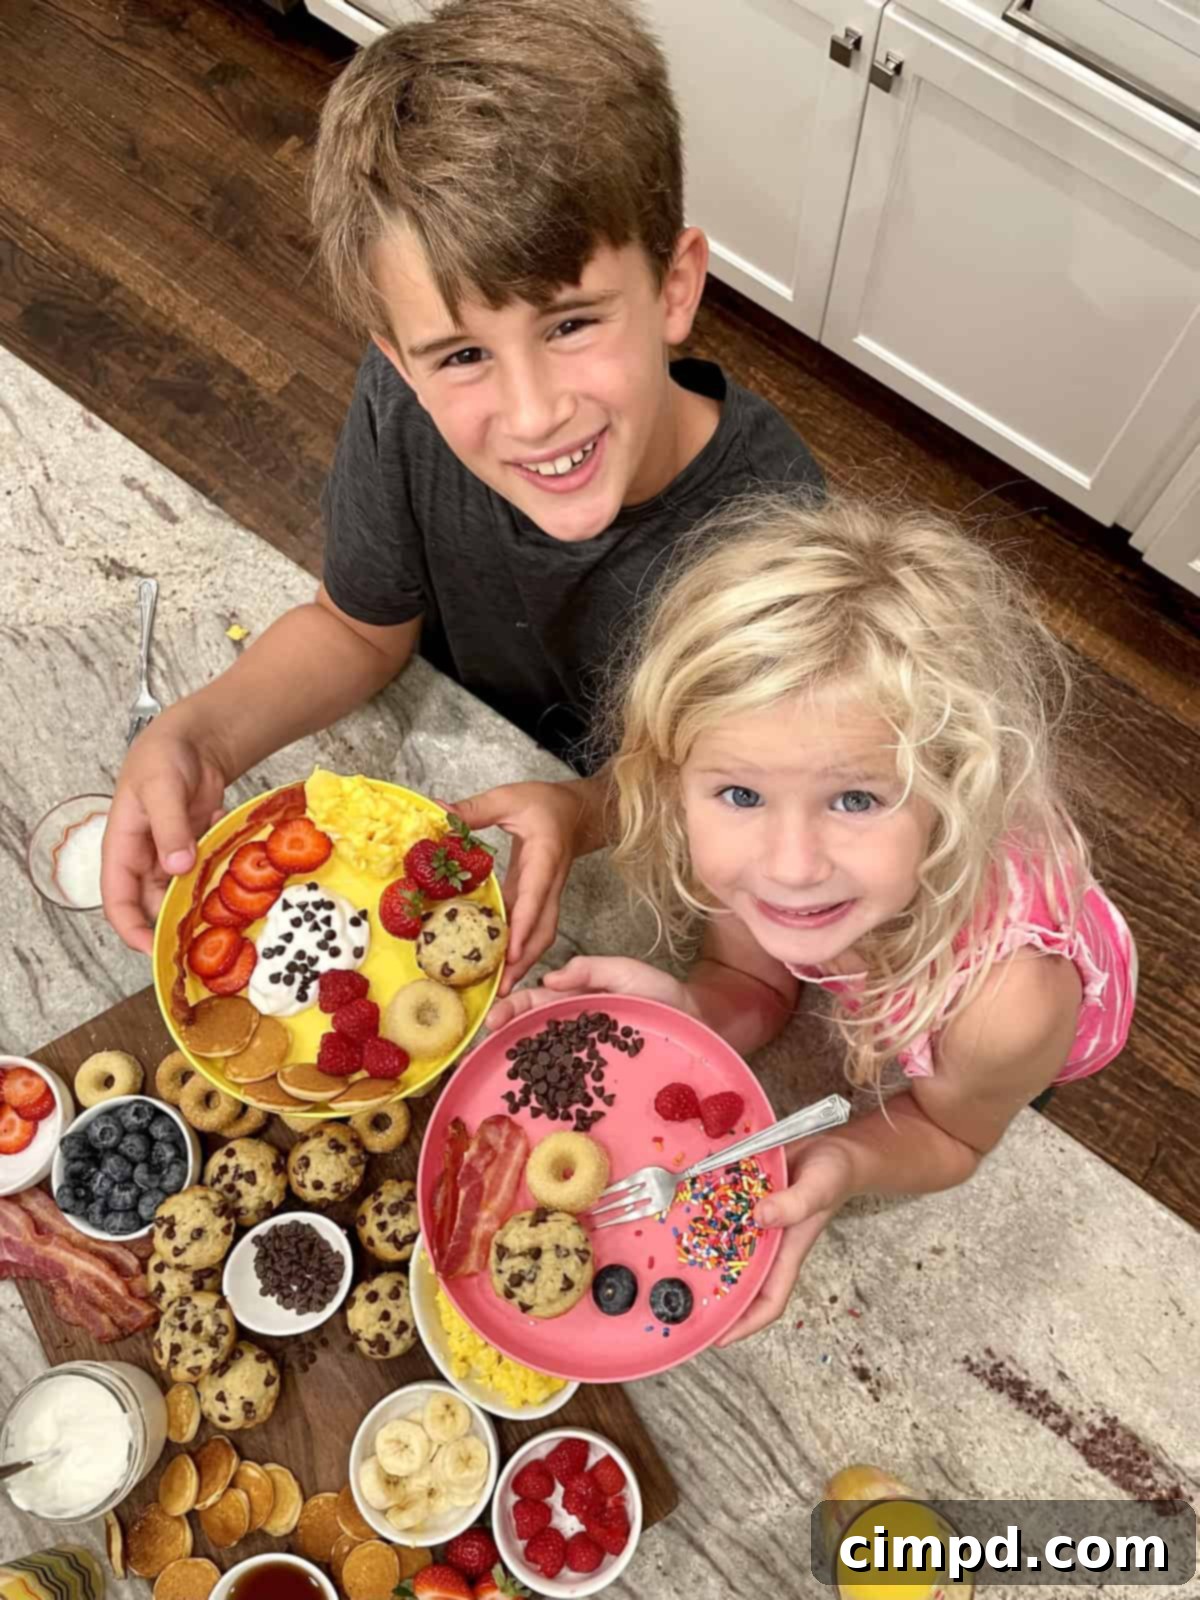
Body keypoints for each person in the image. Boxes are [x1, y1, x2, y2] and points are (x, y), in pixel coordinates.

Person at [100, 0, 823, 967]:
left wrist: (583, 809)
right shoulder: (404, 410)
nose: (533, 414)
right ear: (400, 362)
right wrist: (203, 737)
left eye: (571, 323)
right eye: (462, 355)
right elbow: (360, 628)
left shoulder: (780, 538)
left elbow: (735, 779)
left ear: (676, 287)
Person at [486, 496, 1137, 1343]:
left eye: (857, 798)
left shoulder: (1008, 1006)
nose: (791, 866)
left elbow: (954, 1133)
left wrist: (852, 1157)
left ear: (952, 796)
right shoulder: (743, 861)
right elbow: (753, 979)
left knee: (982, 1073)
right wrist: (691, 1011)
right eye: (741, 793)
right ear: (676, 776)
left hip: (1012, 1030)